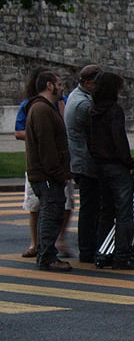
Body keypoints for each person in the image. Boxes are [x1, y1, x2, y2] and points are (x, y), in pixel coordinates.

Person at [17, 67, 75, 259]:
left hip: (49, 171)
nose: (62, 88)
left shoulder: (52, 105)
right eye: (59, 84)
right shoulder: (40, 109)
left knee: (58, 208)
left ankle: (49, 250)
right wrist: (58, 174)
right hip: (47, 173)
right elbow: (47, 144)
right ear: (49, 86)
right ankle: (45, 253)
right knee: (46, 211)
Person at [89, 72, 134, 270]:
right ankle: (122, 254)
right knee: (124, 211)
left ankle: (103, 252)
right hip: (116, 165)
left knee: (106, 211)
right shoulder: (114, 110)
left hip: (100, 165)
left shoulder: (93, 110)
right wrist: (127, 162)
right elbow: (119, 139)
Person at [65, 64, 114, 263]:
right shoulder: (84, 105)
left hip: (81, 160)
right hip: (86, 162)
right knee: (91, 208)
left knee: (90, 207)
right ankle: (88, 249)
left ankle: (89, 248)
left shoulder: (77, 97)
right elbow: (98, 131)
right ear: (88, 83)